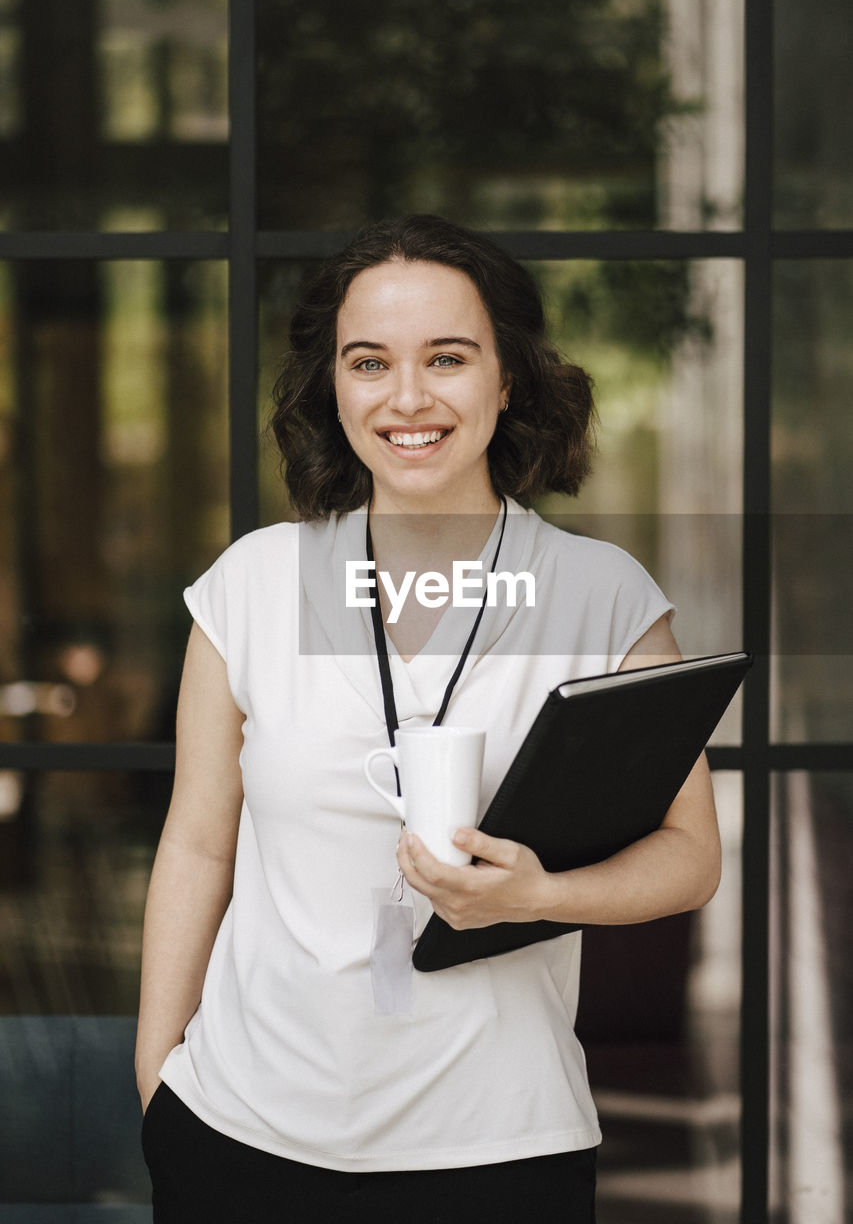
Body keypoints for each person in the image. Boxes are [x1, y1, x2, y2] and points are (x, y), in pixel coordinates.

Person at [135, 214, 721, 1223]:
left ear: (508, 379)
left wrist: (539, 893)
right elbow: (195, 844)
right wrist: (156, 1074)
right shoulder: (251, 584)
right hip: (239, 1133)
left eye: (447, 357)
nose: (407, 397)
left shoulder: (600, 593)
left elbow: (690, 855)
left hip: (502, 1143)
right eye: (370, 361)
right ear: (334, 385)